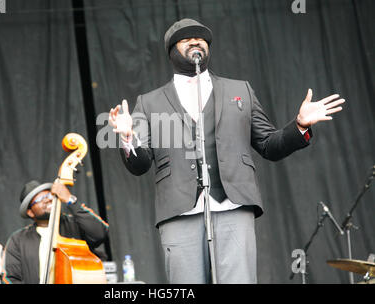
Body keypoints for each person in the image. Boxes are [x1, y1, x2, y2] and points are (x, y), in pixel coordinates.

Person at [108, 18, 345, 283]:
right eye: (187, 39)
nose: (196, 41)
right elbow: (139, 165)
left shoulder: (239, 90)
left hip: (233, 205)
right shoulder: (149, 102)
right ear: (172, 51)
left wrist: (299, 125)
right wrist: (128, 137)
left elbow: (269, 145)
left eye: (201, 39)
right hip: (178, 211)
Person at [3, 179, 109, 284]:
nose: (48, 200)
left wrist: (70, 200)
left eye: (49, 196)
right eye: (40, 199)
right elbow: (10, 278)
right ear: (30, 212)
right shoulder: (18, 240)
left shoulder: (75, 224)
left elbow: (100, 233)